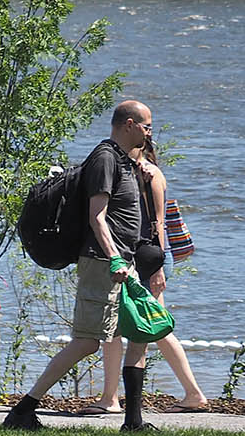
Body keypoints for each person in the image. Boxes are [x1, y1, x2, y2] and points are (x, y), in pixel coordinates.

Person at [4, 100, 158, 432]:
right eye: (146, 126)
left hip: (123, 262)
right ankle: (22, 411)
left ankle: (133, 421)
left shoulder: (125, 161)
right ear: (129, 124)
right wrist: (116, 257)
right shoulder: (104, 158)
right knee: (87, 341)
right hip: (104, 263)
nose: (149, 132)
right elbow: (97, 217)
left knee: (139, 332)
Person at [89, 140, 208, 414]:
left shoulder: (151, 174)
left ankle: (190, 394)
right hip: (138, 257)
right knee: (129, 327)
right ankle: (111, 397)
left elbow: (158, 224)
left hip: (150, 258)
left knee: (153, 326)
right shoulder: (132, 173)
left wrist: (157, 268)